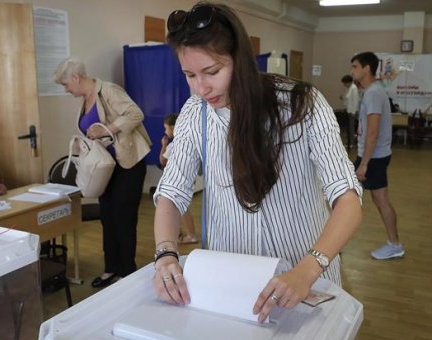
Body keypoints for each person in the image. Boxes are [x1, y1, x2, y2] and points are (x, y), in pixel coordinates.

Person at [152, 2, 362, 324]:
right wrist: (165, 255)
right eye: (189, 75)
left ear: (241, 60)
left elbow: (347, 199)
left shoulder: (300, 105)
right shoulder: (196, 113)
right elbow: (171, 193)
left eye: (212, 72)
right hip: (231, 283)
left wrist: (307, 270)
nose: (201, 87)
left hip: (304, 276)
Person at [54, 57, 152, 287]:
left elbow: (135, 114)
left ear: (76, 78)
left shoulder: (108, 90)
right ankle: (111, 269)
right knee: (107, 217)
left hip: (128, 164)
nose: (66, 89)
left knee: (124, 218)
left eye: (65, 84)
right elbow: (93, 131)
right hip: (105, 166)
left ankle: (127, 272)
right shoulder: (86, 99)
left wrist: (107, 129)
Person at [350, 51, 404, 260]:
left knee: (377, 199)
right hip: (373, 155)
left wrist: (364, 164)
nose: (352, 71)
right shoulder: (373, 91)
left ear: (366, 68)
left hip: (373, 157)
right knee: (353, 196)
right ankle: (394, 243)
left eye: (355, 67)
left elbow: (373, 131)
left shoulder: (373, 93)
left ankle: (395, 244)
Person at [159, 114, 197, 244]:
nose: (165, 131)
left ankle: (191, 235)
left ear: (173, 127)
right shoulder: (185, 141)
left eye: (166, 128)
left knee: (183, 209)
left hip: (178, 181)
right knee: (181, 208)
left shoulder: (174, 145)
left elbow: (162, 161)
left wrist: (163, 145)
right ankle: (181, 232)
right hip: (185, 180)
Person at [341, 74, 360, 149]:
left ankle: (351, 143)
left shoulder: (354, 88)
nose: (344, 85)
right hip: (348, 110)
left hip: (352, 111)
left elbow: (355, 101)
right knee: (349, 128)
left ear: (348, 82)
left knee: (351, 128)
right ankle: (349, 142)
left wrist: (353, 112)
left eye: (345, 83)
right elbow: (347, 98)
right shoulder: (350, 88)